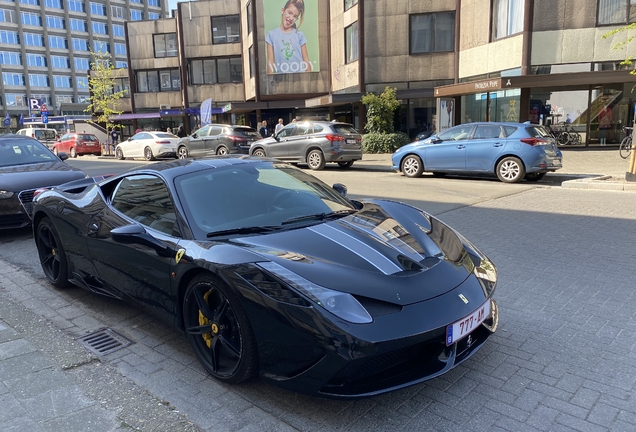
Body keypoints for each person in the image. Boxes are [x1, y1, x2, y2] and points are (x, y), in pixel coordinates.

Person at [265, 0, 311, 74]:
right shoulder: (271, 35)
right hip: (281, 80)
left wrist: (308, 81)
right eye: (289, 13)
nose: (291, 17)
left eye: (295, 16)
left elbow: (306, 60)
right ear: (283, 11)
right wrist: (271, 83)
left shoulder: (300, 35)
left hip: (300, 79)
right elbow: (270, 62)